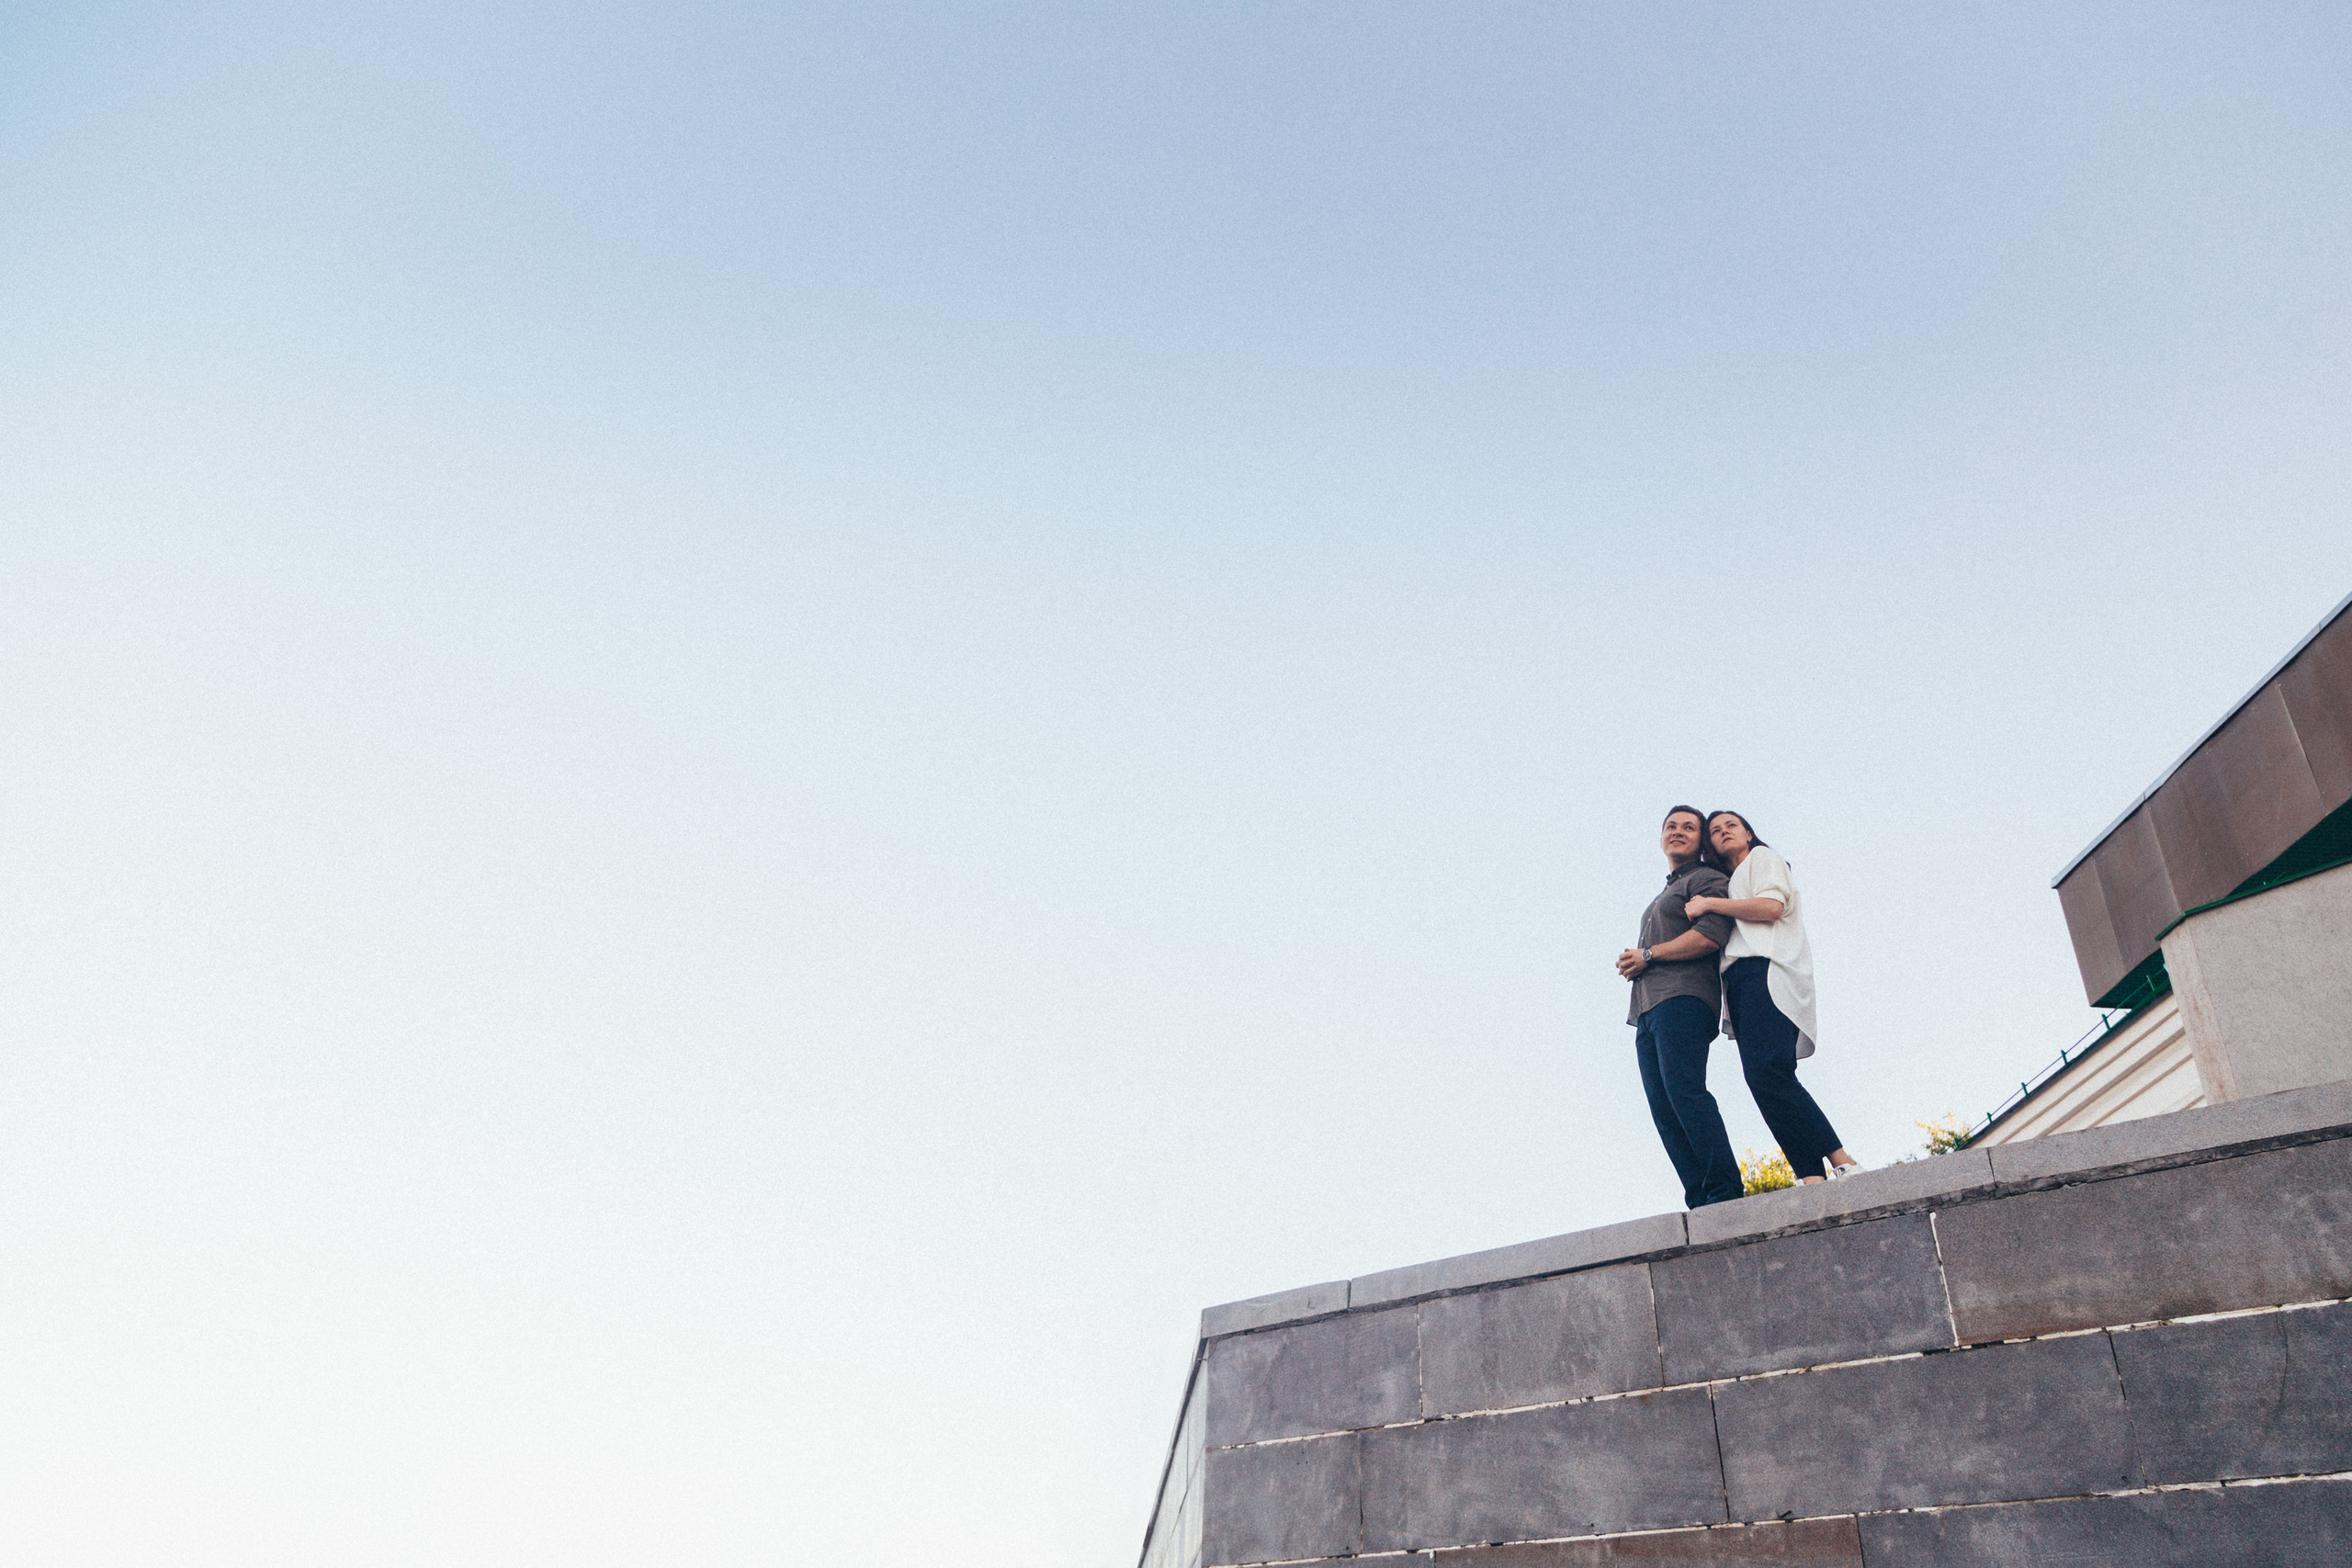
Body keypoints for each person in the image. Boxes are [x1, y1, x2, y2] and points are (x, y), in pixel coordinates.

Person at [1687, 810, 1859, 1184]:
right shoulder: (1728, 880)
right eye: (1715, 831)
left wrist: (1710, 904)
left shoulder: (1762, 858)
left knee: (1770, 1072)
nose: (1723, 832)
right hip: (1740, 981)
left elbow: (1771, 907)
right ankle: (1810, 1174)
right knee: (1762, 1078)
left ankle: (1842, 1158)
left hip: (1765, 970)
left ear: (1748, 833)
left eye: (1731, 825)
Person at [1617, 806, 1742, 1208]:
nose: (1678, 832)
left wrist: (1648, 955)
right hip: (1648, 1012)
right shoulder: (1663, 893)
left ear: (1700, 840)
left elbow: (1709, 936)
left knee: (1685, 1093)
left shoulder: (1707, 879)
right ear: (1661, 837)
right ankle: (1700, 1198)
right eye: (1671, 826)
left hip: (1685, 1000)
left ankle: (1724, 1191)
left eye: (1689, 828)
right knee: (1663, 1108)